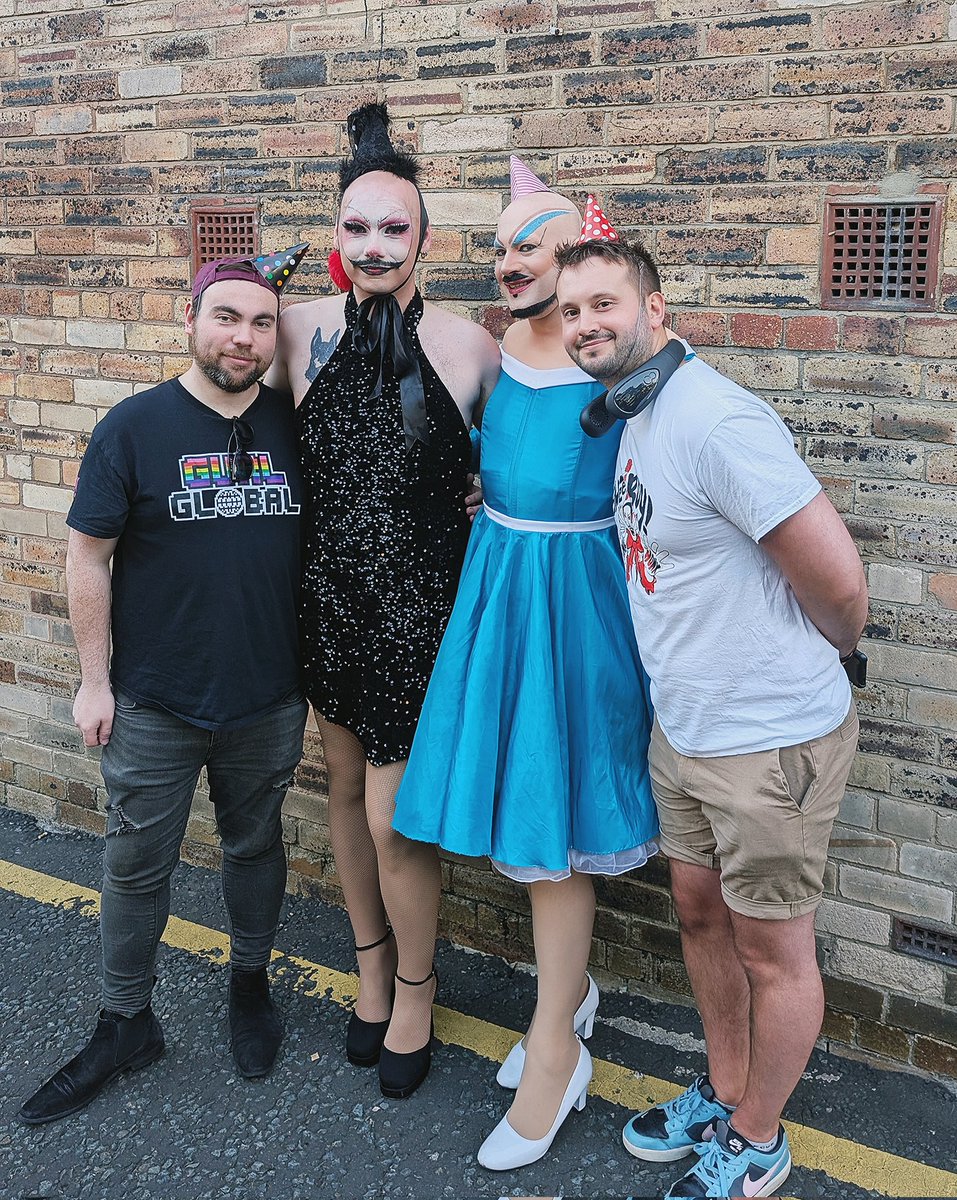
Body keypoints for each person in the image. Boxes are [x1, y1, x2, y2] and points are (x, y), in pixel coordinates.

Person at [556, 233, 867, 1199]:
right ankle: (726, 1089)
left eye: (604, 304)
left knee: (774, 949)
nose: (585, 325)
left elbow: (839, 585)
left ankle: (757, 1138)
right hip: (682, 730)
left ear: (655, 310)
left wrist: (818, 661)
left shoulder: (715, 420)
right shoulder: (637, 416)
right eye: (570, 311)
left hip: (765, 742)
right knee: (699, 915)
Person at [392, 165, 658, 1168]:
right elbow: (508, 463)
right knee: (520, 806)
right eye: (500, 247)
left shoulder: (611, 362)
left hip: (572, 608)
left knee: (554, 819)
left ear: (580, 259)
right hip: (500, 586)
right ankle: (568, 998)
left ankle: (556, 1050)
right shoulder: (504, 349)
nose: (508, 263)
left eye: (529, 245)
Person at [17, 246, 311, 1126]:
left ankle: (250, 986)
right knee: (135, 866)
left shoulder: (297, 426)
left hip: (267, 694)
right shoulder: (134, 428)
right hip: (154, 698)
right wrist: (93, 683)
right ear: (189, 322)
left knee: (254, 849)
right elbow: (87, 558)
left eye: (261, 323)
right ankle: (124, 1021)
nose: (243, 336)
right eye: (226, 317)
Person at [265, 104, 500, 1100]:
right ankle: (369, 969)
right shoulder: (291, 330)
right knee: (345, 802)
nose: (373, 245)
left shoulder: (471, 347)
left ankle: (415, 985)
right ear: (335, 237)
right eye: (356, 227)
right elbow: (219, 398)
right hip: (327, 606)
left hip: (421, 618)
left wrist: (493, 492)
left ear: (424, 240)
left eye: (393, 228)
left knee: (396, 821)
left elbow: (521, 461)